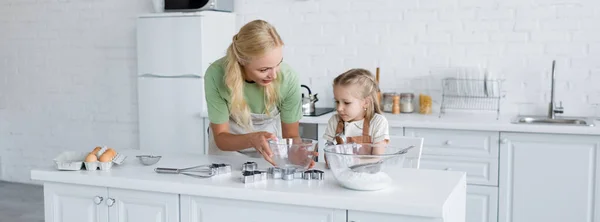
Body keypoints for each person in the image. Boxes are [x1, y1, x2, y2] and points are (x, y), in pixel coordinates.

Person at [204, 20, 303, 164]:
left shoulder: (288, 78)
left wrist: (300, 154)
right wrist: (251, 139)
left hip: (267, 153)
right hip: (226, 153)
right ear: (242, 61)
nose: (274, 75)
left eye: (278, 64)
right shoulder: (216, 74)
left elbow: (291, 136)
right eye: (264, 70)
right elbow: (220, 138)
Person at [322, 68, 390, 155]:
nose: (339, 108)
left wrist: (349, 162)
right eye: (337, 101)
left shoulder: (377, 122)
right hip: (339, 169)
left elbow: (376, 159)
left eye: (346, 103)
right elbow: (328, 158)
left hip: (367, 169)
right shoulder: (334, 121)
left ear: (365, 102)